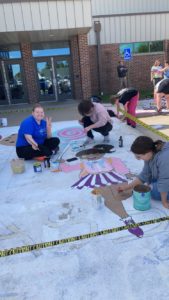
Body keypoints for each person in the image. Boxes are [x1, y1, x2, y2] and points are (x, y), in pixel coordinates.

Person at [117, 136, 169, 209]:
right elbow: (144, 175)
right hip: (166, 175)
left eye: (139, 157)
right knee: (150, 184)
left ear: (148, 152)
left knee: (153, 192)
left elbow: (165, 181)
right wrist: (126, 187)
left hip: (166, 178)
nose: (138, 159)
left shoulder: (164, 158)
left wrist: (164, 202)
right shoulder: (150, 154)